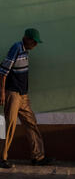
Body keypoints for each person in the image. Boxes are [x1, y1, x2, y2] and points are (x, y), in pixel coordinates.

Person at [0, 28, 52, 168]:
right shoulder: (16, 48)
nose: (35, 45)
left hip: (23, 96)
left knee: (31, 123)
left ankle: (38, 157)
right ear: (27, 39)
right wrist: (2, 92)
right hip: (13, 94)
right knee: (10, 126)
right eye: (34, 42)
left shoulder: (25, 51)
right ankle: (2, 158)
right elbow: (3, 71)